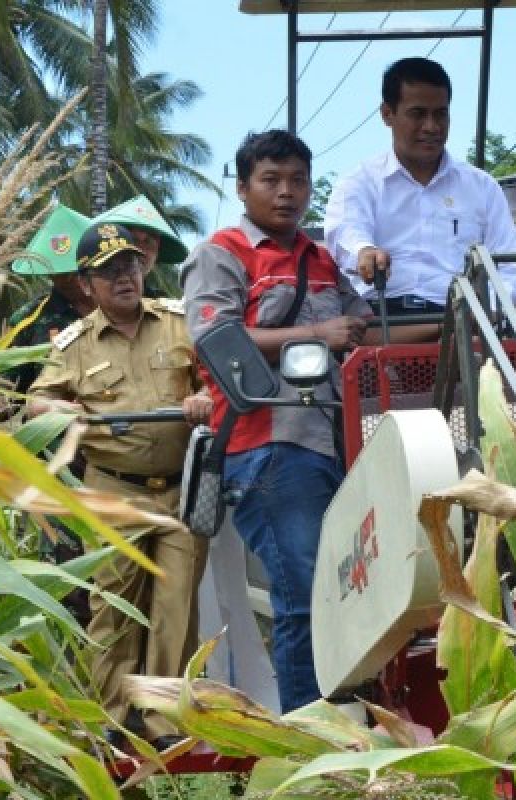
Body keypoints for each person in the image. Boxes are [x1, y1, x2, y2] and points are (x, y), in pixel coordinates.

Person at [181, 129, 371, 712]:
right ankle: (308, 744)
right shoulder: (221, 253)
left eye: (298, 180)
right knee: (305, 594)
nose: (286, 192)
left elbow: (360, 321)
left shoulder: (322, 259)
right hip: (266, 446)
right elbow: (215, 337)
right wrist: (319, 334)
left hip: (334, 443)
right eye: (270, 180)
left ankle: (349, 726)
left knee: (348, 590)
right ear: (242, 188)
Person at [27, 222, 211, 749]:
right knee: (113, 611)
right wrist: (58, 407)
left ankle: (166, 729)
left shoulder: (179, 322)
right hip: (112, 491)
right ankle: (108, 726)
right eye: (108, 271)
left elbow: (216, 378)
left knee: (177, 611)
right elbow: (36, 401)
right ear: (87, 283)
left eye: (129, 264)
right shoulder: (73, 344)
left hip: (181, 488)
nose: (123, 277)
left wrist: (203, 397)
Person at [324, 56, 516, 330]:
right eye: (418, 114)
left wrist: (486, 313)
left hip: (463, 322)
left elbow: (508, 269)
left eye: (440, 114)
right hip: (381, 322)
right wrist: (364, 252)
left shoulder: (483, 187)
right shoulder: (359, 183)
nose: (431, 127)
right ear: (387, 114)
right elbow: (346, 234)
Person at [6, 205, 96, 394]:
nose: (68, 278)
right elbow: (7, 389)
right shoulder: (29, 318)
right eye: (59, 271)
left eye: (74, 270)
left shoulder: (125, 305)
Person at [94, 194, 189, 296]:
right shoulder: (84, 302)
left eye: (148, 242)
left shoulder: (163, 305)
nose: (140, 250)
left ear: (157, 251)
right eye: (133, 240)